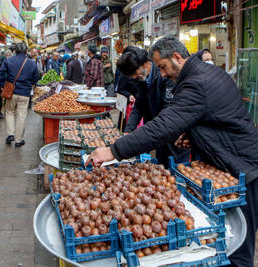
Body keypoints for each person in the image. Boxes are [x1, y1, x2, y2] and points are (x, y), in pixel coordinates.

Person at [85, 36, 258, 267]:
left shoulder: (197, 83)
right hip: (231, 163)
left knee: (239, 247)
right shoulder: (205, 74)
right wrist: (195, 137)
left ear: (177, 57)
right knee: (229, 238)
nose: (163, 74)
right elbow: (217, 119)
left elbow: (164, 125)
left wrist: (113, 151)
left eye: (163, 67)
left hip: (243, 168)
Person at [116, 46, 189, 167]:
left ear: (145, 63)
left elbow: (168, 112)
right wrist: (128, 131)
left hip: (174, 137)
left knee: (176, 169)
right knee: (161, 166)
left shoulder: (165, 77)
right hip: (158, 134)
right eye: (131, 75)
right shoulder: (142, 79)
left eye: (135, 73)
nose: (134, 77)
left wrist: (143, 136)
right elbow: (139, 106)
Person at [0, 43, 38, 147]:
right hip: (25, 93)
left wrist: (2, 85)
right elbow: (36, 77)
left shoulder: (9, 60)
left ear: (15, 50)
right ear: (26, 51)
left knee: (9, 112)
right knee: (21, 116)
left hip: (11, 92)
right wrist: (31, 84)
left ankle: (11, 134)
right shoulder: (32, 63)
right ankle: (19, 140)